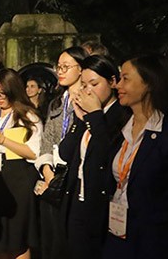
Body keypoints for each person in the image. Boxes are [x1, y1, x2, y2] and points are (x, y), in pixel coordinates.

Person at [102, 54, 168, 259]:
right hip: (117, 237)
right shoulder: (119, 129)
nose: (118, 85)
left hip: (156, 243)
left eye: (126, 79)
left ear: (149, 83)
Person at [58, 55, 130, 259]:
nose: (88, 90)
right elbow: (65, 153)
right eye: (84, 84)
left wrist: (96, 115)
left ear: (112, 82)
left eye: (94, 83)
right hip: (77, 199)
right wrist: (80, 120)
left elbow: (106, 156)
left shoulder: (121, 115)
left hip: (103, 205)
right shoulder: (87, 114)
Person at [0, 68, 43, 259]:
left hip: (17, 178)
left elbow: (33, 153)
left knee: (17, 238)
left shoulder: (28, 116)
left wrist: (3, 140)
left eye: (2, 93)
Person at [34, 46, 88, 259]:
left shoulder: (88, 101)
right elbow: (46, 140)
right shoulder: (56, 102)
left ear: (82, 69)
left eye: (66, 66)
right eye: (59, 67)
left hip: (75, 180)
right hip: (52, 180)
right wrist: (48, 174)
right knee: (50, 242)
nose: (61, 71)